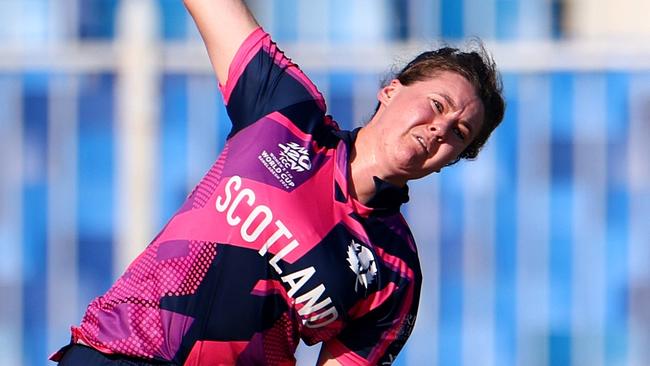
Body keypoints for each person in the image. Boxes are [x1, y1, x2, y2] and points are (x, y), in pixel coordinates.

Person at [52, 0, 505, 365]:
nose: (440, 129)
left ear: (451, 162)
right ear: (390, 90)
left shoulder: (395, 272)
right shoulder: (287, 111)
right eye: (436, 104)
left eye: (459, 134)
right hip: (116, 353)